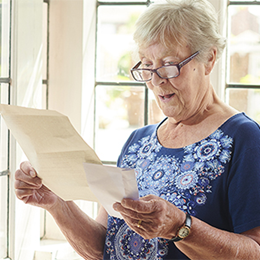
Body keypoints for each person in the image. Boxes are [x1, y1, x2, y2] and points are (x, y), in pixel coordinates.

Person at [14, 0, 260, 259]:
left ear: (209, 59)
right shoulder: (138, 142)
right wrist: (57, 203)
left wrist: (180, 226)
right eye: (147, 66)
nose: (156, 81)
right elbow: (104, 247)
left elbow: (255, 251)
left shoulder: (244, 139)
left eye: (168, 64)